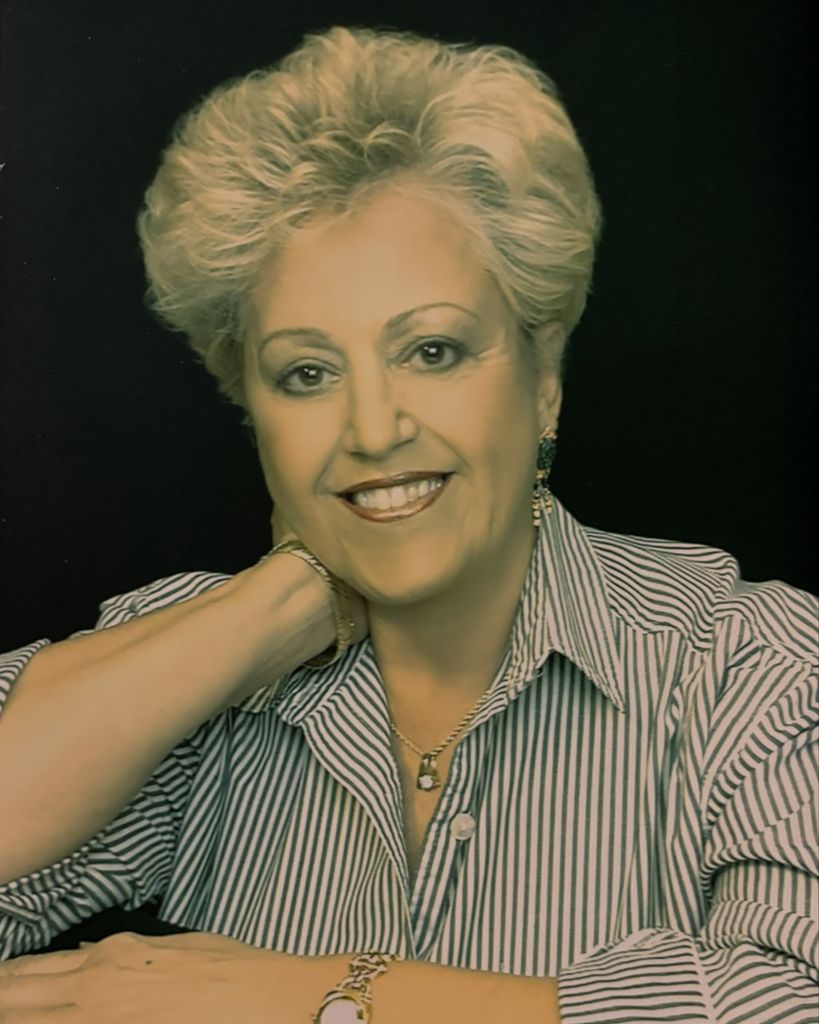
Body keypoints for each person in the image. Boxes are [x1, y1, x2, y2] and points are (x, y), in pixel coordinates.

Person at [0, 24, 816, 1024]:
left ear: (544, 378)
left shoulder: (751, 663)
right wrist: (280, 600)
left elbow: (791, 997)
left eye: (431, 351)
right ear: (253, 411)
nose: (373, 429)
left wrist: (301, 996)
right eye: (307, 373)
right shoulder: (188, 667)